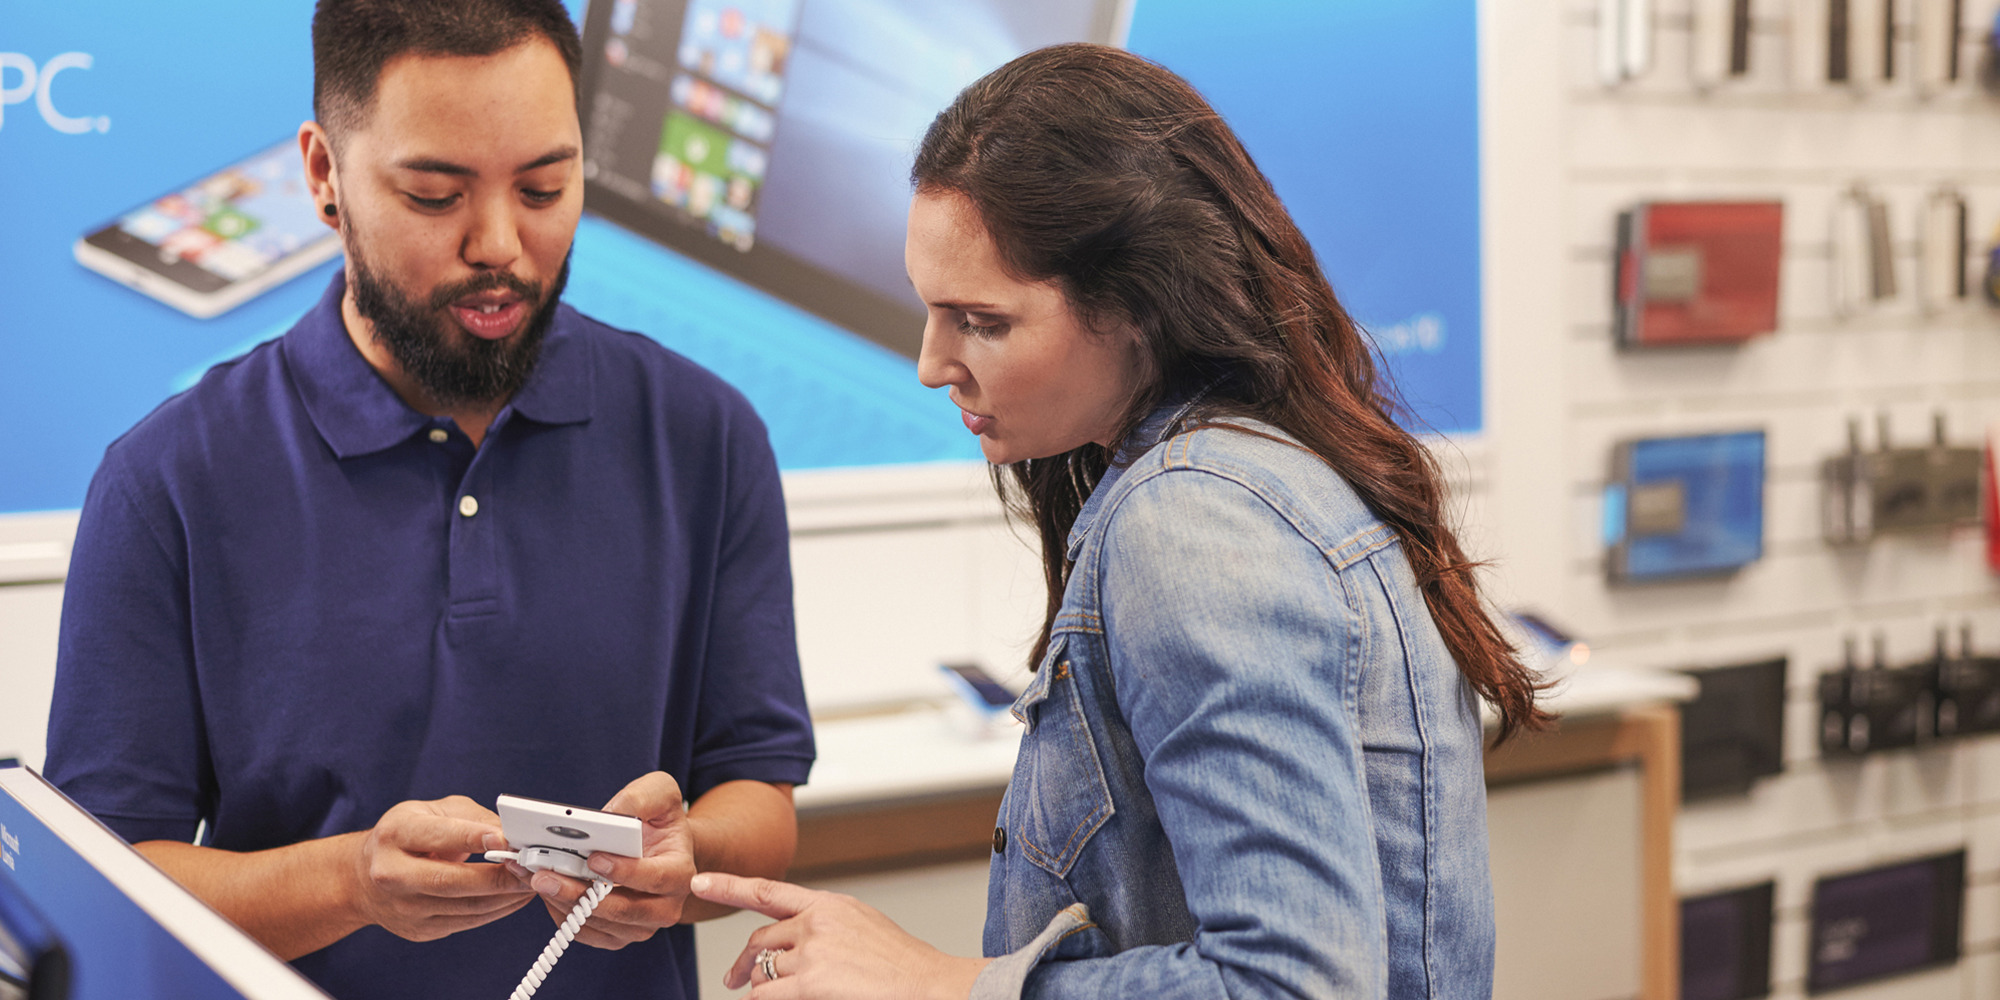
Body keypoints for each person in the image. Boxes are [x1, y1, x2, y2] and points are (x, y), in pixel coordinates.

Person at [689, 43, 1549, 1000]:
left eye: (982, 322)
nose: (932, 364)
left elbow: (1293, 986)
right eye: (930, 312)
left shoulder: (1190, 528)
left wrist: (939, 984)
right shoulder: (1259, 480)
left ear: (1136, 306)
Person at [42, 2, 813, 998]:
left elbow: (759, 796)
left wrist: (679, 862)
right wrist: (350, 881)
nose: (499, 244)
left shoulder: (706, 436)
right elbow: (105, 887)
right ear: (323, 175)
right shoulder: (169, 479)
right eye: (435, 195)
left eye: (545, 186)